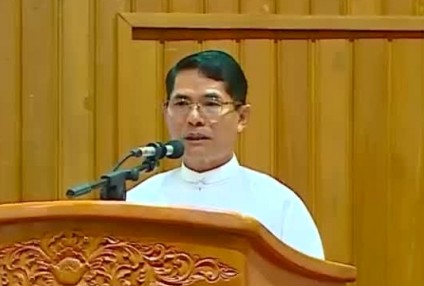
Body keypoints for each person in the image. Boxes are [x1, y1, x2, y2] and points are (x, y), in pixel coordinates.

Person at [125, 50, 325, 260]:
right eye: (182, 103)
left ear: (242, 117)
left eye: (211, 104)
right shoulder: (139, 202)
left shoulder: (279, 205)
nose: (194, 118)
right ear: (166, 112)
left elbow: (308, 280)